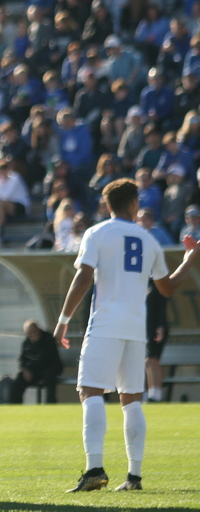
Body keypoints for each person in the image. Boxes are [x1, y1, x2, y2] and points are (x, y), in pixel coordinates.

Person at [54, 178, 200, 492]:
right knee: (131, 400)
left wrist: (63, 320)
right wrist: (189, 259)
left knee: (90, 391)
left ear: (107, 205)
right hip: (136, 330)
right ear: (134, 203)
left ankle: (95, 470)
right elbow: (167, 288)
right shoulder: (148, 240)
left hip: (105, 324)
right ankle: (134, 477)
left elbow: (83, 276)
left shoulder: (96, 233)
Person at [10, 321, 63, 404]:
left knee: (50, 377)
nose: (32, 335)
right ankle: (14, 405)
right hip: (34, 371)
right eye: (29, 333)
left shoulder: (48, 338)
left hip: (48, 368)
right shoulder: (27, 342)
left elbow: (49, 358)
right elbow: (22, 359)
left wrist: (36, 344)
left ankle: (50, 404)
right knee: (20, 378)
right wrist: (25, 369)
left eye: (33, 332)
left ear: (38, 330)